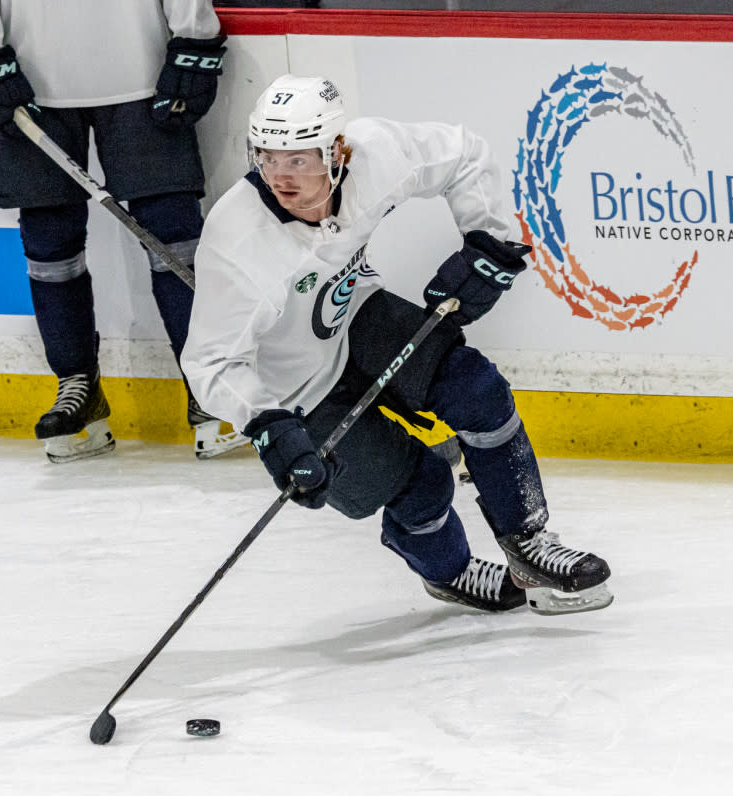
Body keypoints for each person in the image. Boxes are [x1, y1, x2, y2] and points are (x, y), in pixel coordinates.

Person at [182, 74, 613, 614]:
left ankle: (529, 542)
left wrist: (487, 241)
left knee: (476, 390)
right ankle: (452, 572)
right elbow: (210, 362)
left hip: (355, 314)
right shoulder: (237, 241)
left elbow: (465, 154)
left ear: (338, 151)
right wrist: (268, 426)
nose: (282, 178)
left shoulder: (375, 154)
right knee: (421, 485)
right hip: (296, 388)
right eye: (268, 158)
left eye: (300, 160)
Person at [0, 0, 247, 462]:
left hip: (141, 68)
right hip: (30, 77)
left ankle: (209, 389)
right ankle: (78, 390)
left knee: (174, 236)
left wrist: (193, 35)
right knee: (49, 248)